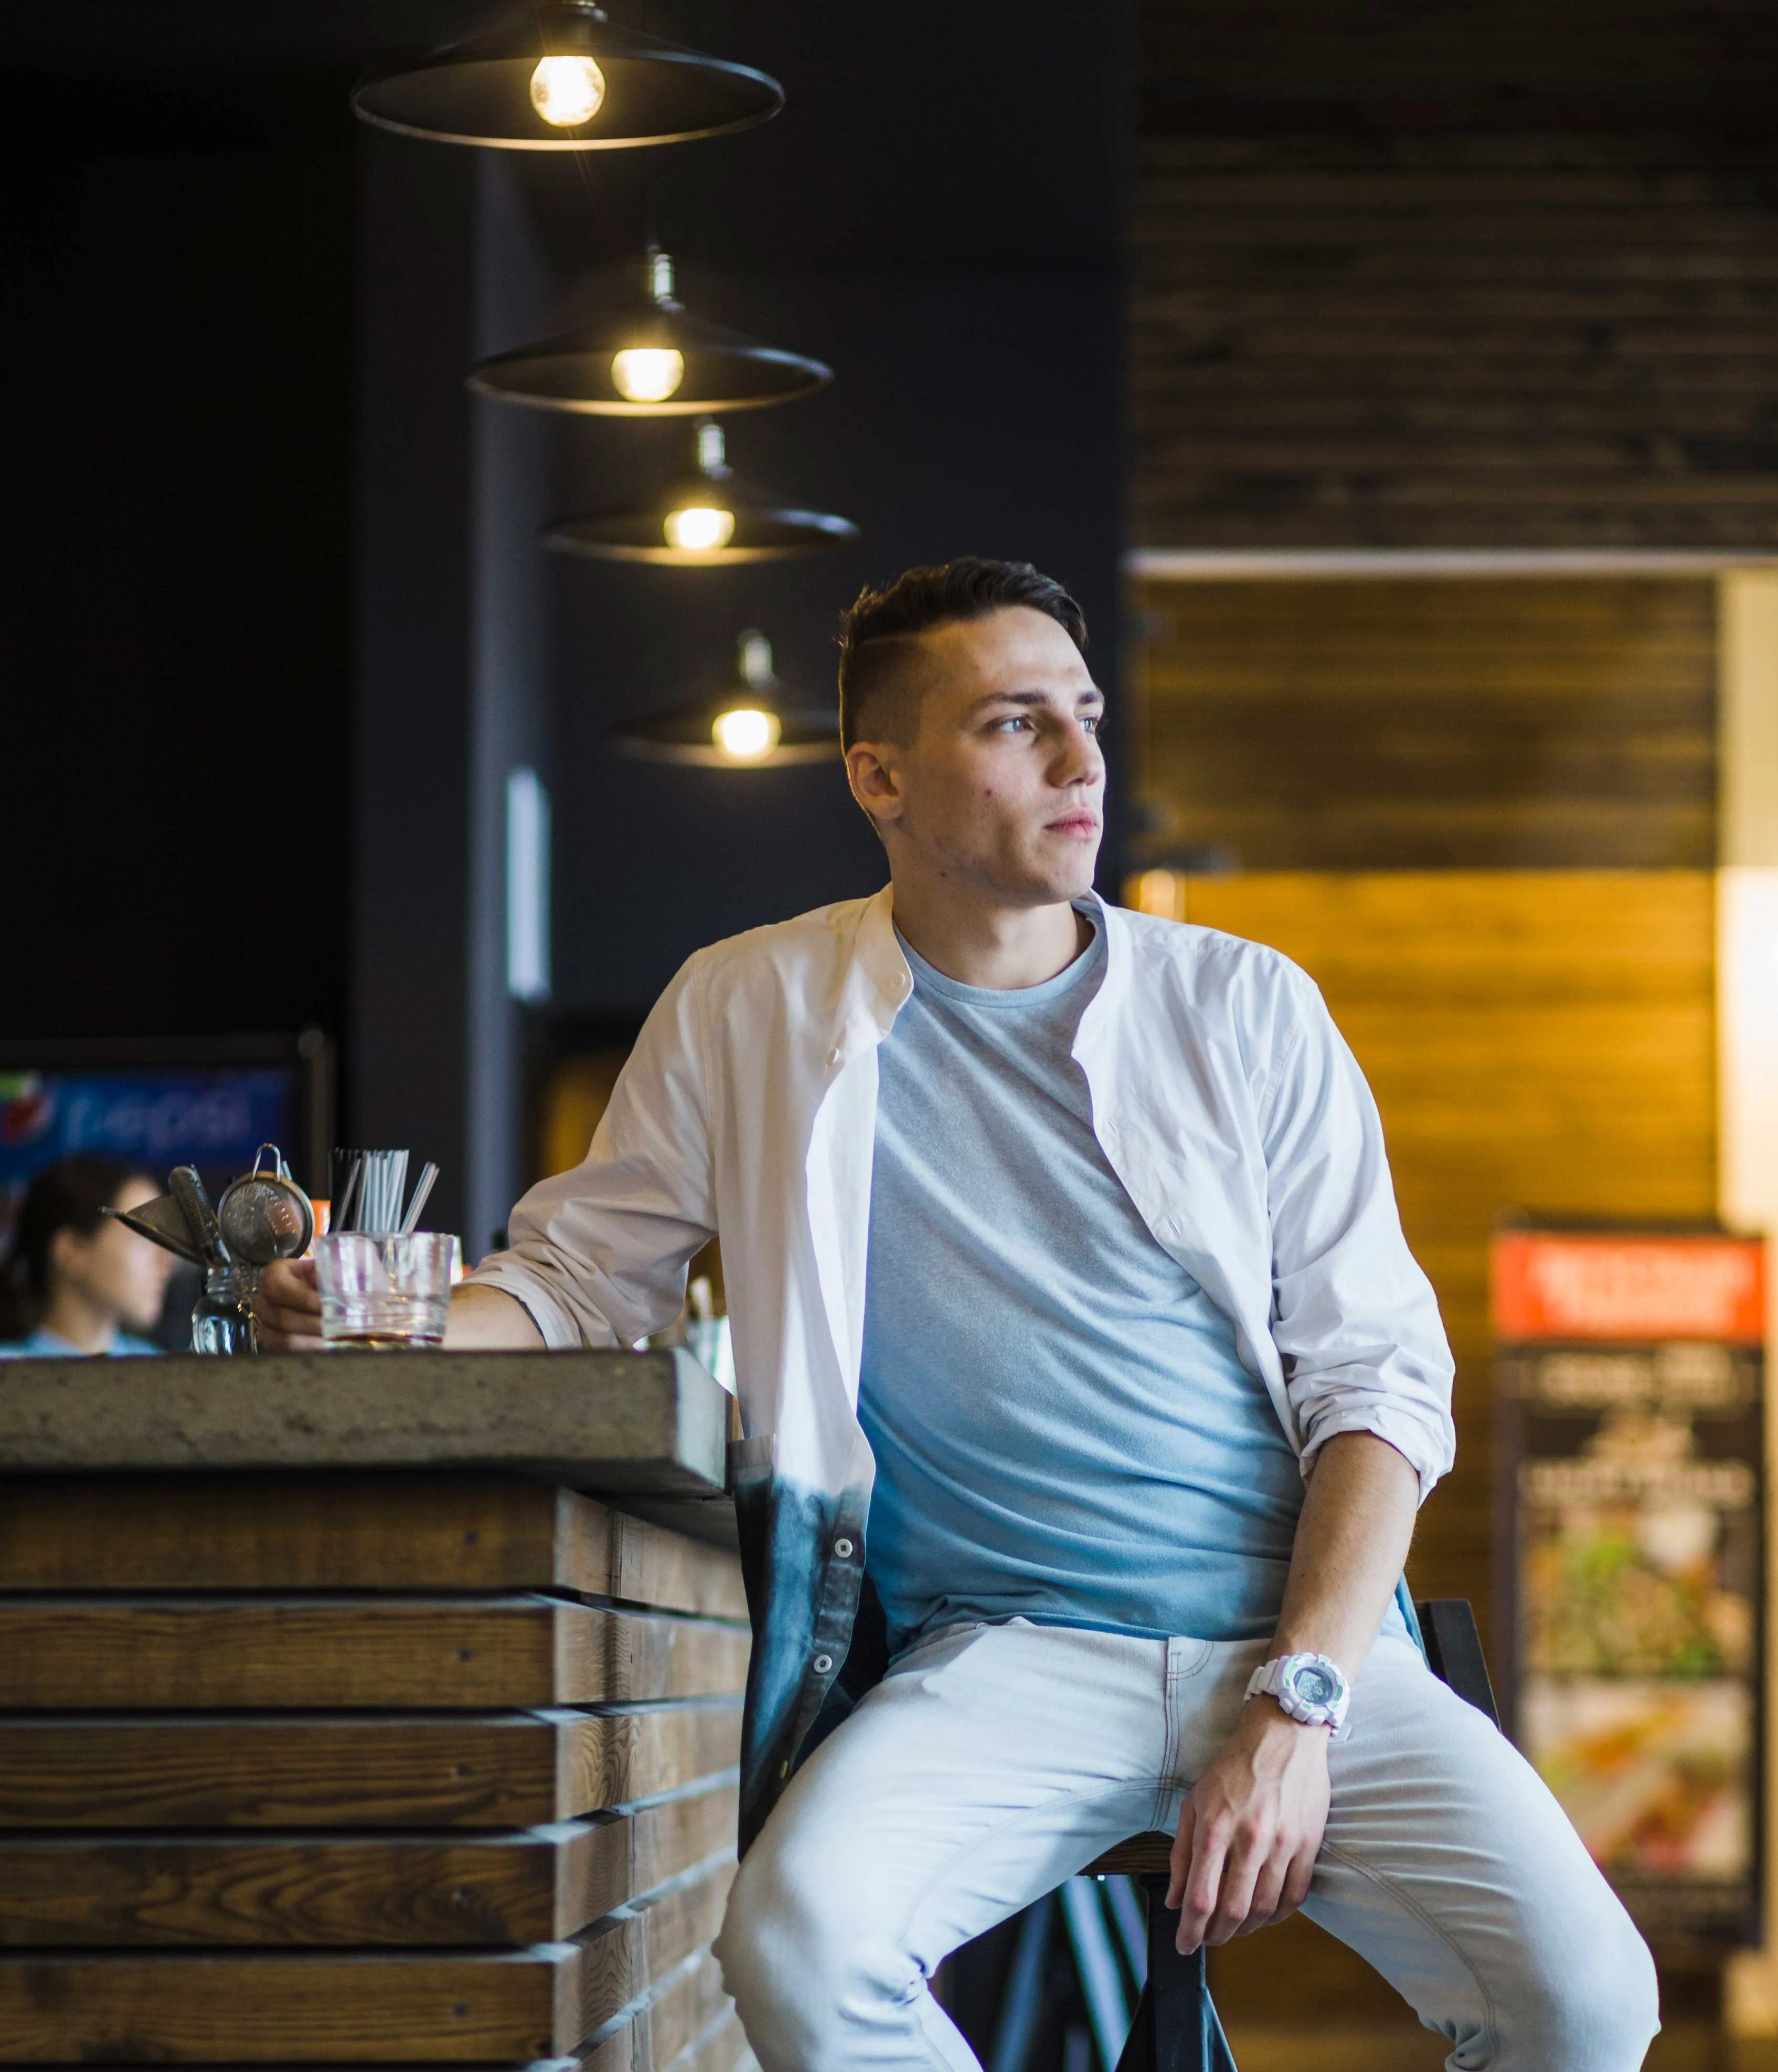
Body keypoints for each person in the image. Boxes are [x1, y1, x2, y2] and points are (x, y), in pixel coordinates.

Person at [256, 558, 1659, 2070]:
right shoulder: (749, 1006)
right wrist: (385, 1314)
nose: (1080, 762)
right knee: (794, 1941)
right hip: (1007, 1654)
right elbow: (583, 1278)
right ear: (880, 775)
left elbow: (1382, 1381)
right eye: (1014, 723)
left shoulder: (1244, 1005)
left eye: (1086, 715)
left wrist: (1300, 1702)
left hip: (1304, 1654)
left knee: (1587, 2002)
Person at [0, 1153, 175, 1356]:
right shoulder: (9, 1372)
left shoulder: (158, 1367)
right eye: (143, 1240)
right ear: (69, 1251)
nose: (167, 1261)